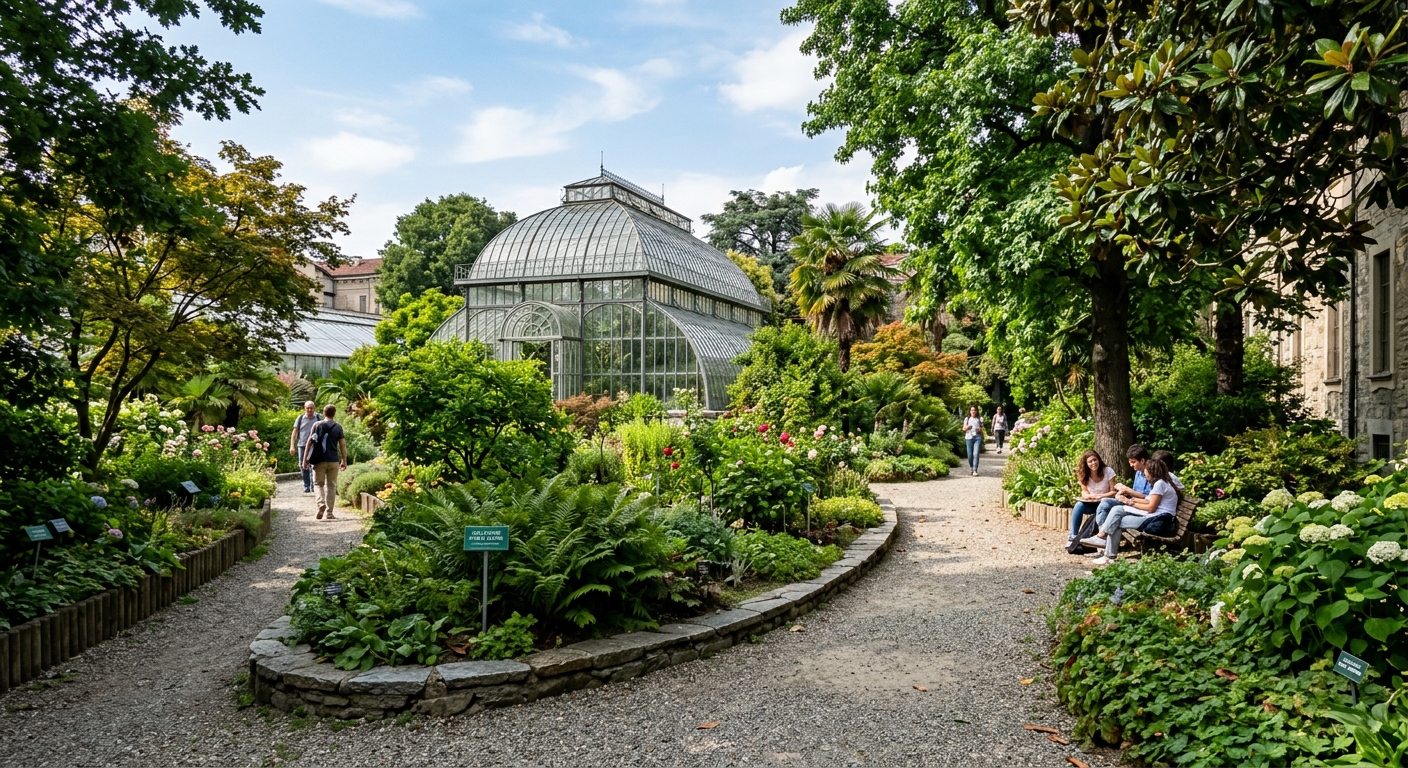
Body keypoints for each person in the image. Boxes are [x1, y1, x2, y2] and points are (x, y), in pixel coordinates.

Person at [1080, 457, 1180, 566]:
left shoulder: (1160, 484)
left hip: (1158, 519)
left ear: (1152, 471)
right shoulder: (1162, 483)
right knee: (1116, 517)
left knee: (1117, 515)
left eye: (1146, 470)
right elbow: (1148, 500)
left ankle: (1103, 542)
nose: (1144, 473)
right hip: (1155, 517)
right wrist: (1129, 500)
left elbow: (1151, 507)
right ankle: (1107, 552)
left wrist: (1129, 503)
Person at [303, 404, 347, 520]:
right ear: (334, 413)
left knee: (318, 484)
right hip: (333, 461)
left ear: (324, 413)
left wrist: (305, 459)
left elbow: (309, 442)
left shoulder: (317, 425)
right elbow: (342, 445)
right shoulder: (338, 427)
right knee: (331, 486)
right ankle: (330, 513)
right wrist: (344, 460)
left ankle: (321, 503)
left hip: (319, 461)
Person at [1094, 444, 1151, 527]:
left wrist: (1126, 489)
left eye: (1133, 462)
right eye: (1130, 462)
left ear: (1142, 460)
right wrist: (1123, 492)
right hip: (1132, 501)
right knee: (1105, 502)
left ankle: (1103, 534)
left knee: (1112, 509)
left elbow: (1147, 498)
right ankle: (1102, 531)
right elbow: (1135, 492)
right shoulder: (1138, 473)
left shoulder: (1152, 474)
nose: (1131, 465)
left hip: (1140, 506)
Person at [1069, 449, 1117, 542]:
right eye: (1090, 461)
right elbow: (1084, 491)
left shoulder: (1108, 471)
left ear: (1099, 460)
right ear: (1086, 464)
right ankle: (1072, 535)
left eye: (1095, 460)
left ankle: (1101, 538)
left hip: (1105, 504)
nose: (1093, 463)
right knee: (1078, 505)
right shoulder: (1083, 474)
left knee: (1104, 505)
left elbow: (1113, 491)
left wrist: (1101, 496)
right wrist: (1087, 496)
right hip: (1092, 503)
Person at [288, 401, 322, 494]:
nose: (310, 410)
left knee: (313, 466)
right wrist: (292, 446)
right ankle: (306, 485)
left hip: (314, 446)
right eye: (308, 408)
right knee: (303, 466)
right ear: (304, 408)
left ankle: (312, 486)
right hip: (302, 445)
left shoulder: (318, 418)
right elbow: (294, 432)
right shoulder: (300, 418)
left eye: (311, 408)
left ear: (314, 408)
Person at [962, 406, 984, 476]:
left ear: (976, 411)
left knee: (976, 454)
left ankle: (975, 470)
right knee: (970, 455)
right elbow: (963, 429)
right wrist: (968, 427)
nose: (973, 411)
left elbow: (981, 428)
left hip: (977, 437)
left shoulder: (980, 419)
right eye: (972, 410)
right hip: (969, 437)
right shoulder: (967, 419)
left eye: (974, 410)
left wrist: (979, 429)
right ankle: (971, 467)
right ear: (970, 411)